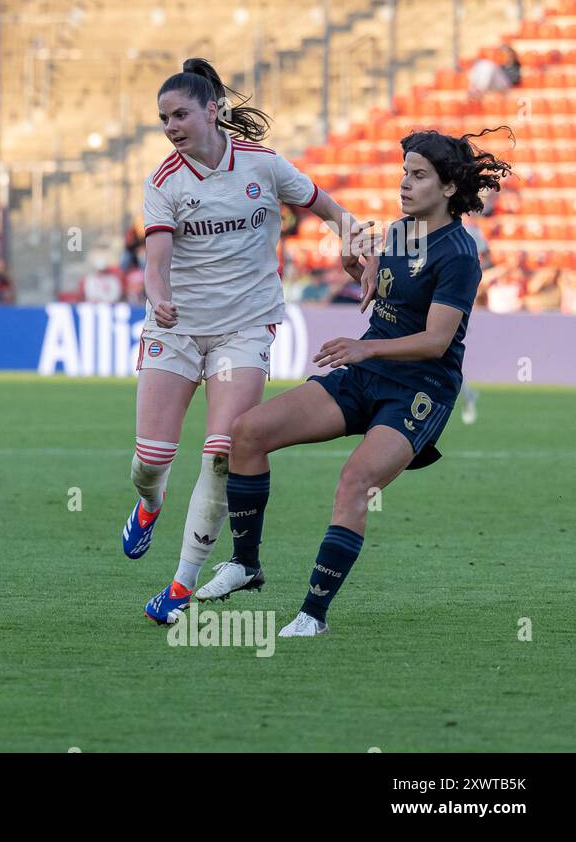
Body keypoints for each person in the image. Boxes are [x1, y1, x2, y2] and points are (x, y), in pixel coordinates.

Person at [201, 128, 510, 636]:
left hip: (419, 390)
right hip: (367, 373)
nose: (404, 184)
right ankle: (245, 564)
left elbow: (435, 340)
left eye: (418, 176)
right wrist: (360, 268)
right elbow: (384, 286)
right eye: (403, 173)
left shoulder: (458, 253)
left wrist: (364, 346)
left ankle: (312, 615)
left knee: (355, 481)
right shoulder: (401, 230)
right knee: (248, 432)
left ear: (449, 187)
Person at [122, 57, 378, 625]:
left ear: (213, 110)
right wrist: (159, 296)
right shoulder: (164, 182)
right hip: (177, 329)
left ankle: (180, 587)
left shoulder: (264, 165)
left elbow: (328, 208)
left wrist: (355, 241)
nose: (171, 127)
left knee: (221, 454)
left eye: (180, 114)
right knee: (151, 460)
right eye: (163, 118)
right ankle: (147, 504)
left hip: (245, 328)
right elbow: (156, 259)